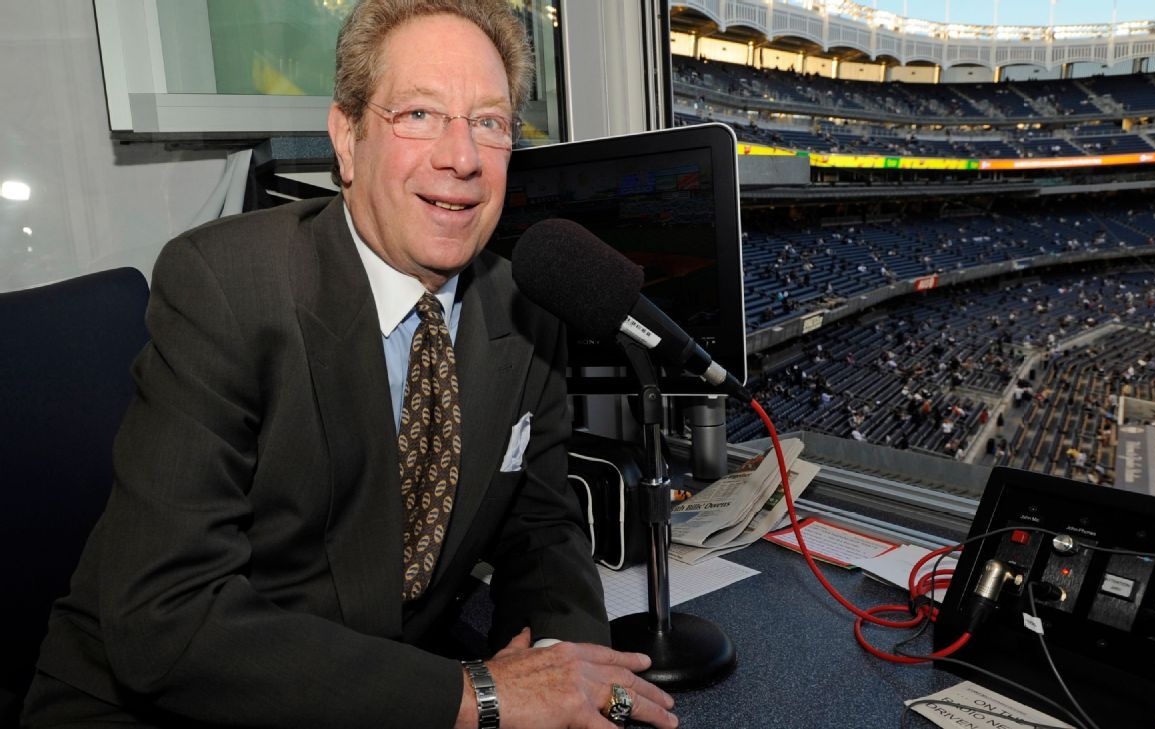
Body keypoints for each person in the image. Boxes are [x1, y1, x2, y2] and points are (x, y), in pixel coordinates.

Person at [22, 2, 676, 728]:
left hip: (391, 691)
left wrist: (565, 668)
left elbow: (543, 529)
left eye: (488, 122)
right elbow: (166, 618)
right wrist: (480, 696)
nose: (461, 157)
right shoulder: (225, 287)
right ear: (347, 138)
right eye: (421, 114)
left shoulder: (528, 310)